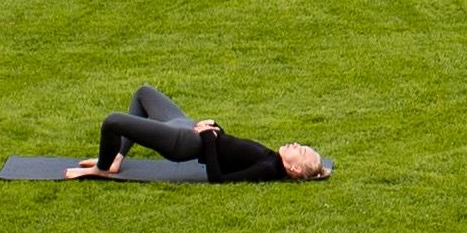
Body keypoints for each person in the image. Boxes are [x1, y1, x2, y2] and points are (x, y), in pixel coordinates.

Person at [87, 89, 326, 180]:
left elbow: (217, 177)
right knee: (143, 94)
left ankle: (101, 167)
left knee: (113, 122)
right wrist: (215, 127)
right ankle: (117, 158)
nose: (296, 144)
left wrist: (209, 138)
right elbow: (230, 149)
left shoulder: (269, 169)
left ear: (294, 169)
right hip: (188, 127)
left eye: (300, 150)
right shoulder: (271, 158)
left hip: (183, 142)